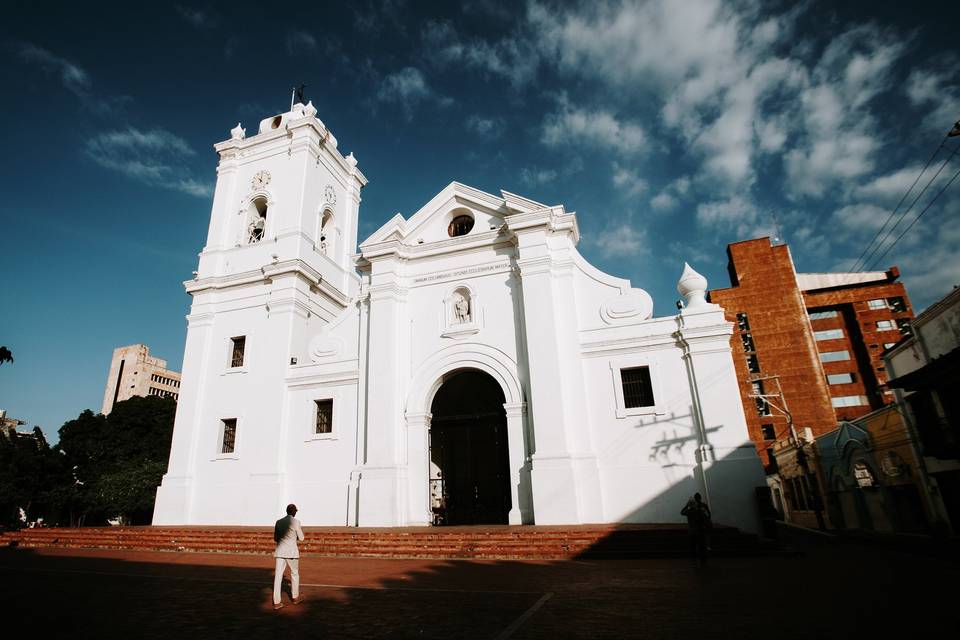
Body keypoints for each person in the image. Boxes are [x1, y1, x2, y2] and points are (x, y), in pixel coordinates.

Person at [273, 503, 305, 610]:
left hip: (280, 551)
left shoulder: (279, 522)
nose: (296, 512)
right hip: (291, 552)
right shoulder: (296, 522)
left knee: (278, 576)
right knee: (294, 573)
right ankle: (295, 597)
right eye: (295, 511)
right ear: (293, 512)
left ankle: (277, 602)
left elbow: (276, 538)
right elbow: (301, 538)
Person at [681, 492, 712, 566]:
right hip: (700, 531)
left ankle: (694, 561)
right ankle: (703, 561)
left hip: (692, 532)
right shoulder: (700, 510)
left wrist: (686, 505)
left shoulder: (689, 512)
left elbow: (682, 512)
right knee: (702, 546)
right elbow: (707, 515)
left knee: (693, 547)